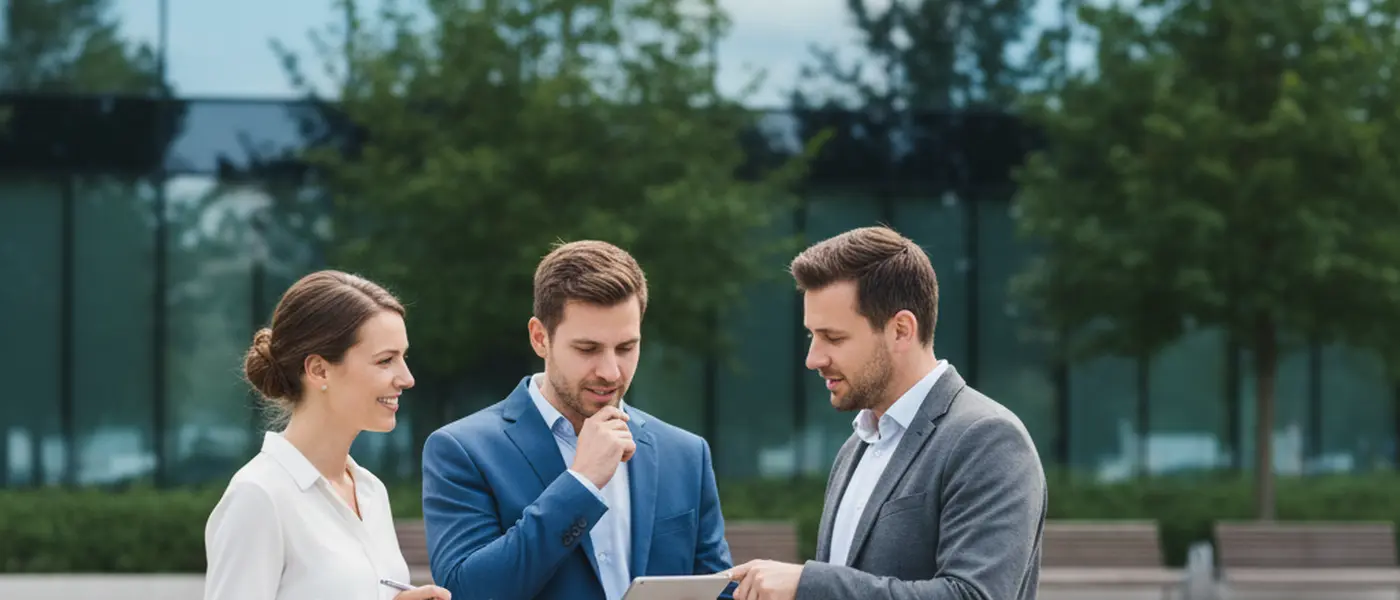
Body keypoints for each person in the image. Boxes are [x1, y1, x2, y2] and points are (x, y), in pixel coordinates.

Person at [726, 226, 1047, 600]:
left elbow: (973, 596)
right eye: (811, 336)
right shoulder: (856, 447)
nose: (813, 358)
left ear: (900, 330)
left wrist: (807, 585)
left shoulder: (987, 438)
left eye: (834, 338)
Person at [421, 240, 733, 600]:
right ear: (540, 338)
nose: (610, 371)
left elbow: (717, 590)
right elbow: (467, 591)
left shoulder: (686, 454)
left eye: (626, 347)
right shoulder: (462, 451)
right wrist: (580, 483)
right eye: (588, 349)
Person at [204, 270, 450, 600]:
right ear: (319, 370)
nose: (406, 378)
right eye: (385, 360)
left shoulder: (370, 491)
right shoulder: (259, 496)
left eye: (403, 358)